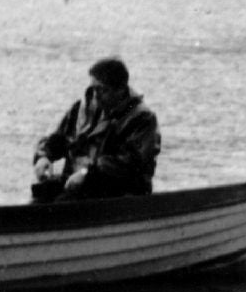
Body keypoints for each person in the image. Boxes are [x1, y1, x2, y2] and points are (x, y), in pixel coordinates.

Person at [31, 56, 160, 202]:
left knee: (62, 204)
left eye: (102, 90)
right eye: (93, 89)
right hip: (75, 183)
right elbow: (58, 138)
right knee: (39, 198)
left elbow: (131, 163)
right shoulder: (81, 108)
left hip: (117, 192)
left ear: (120, 90)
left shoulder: (142, 119)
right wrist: (44, 156)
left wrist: (87, 173)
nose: (95, 96)